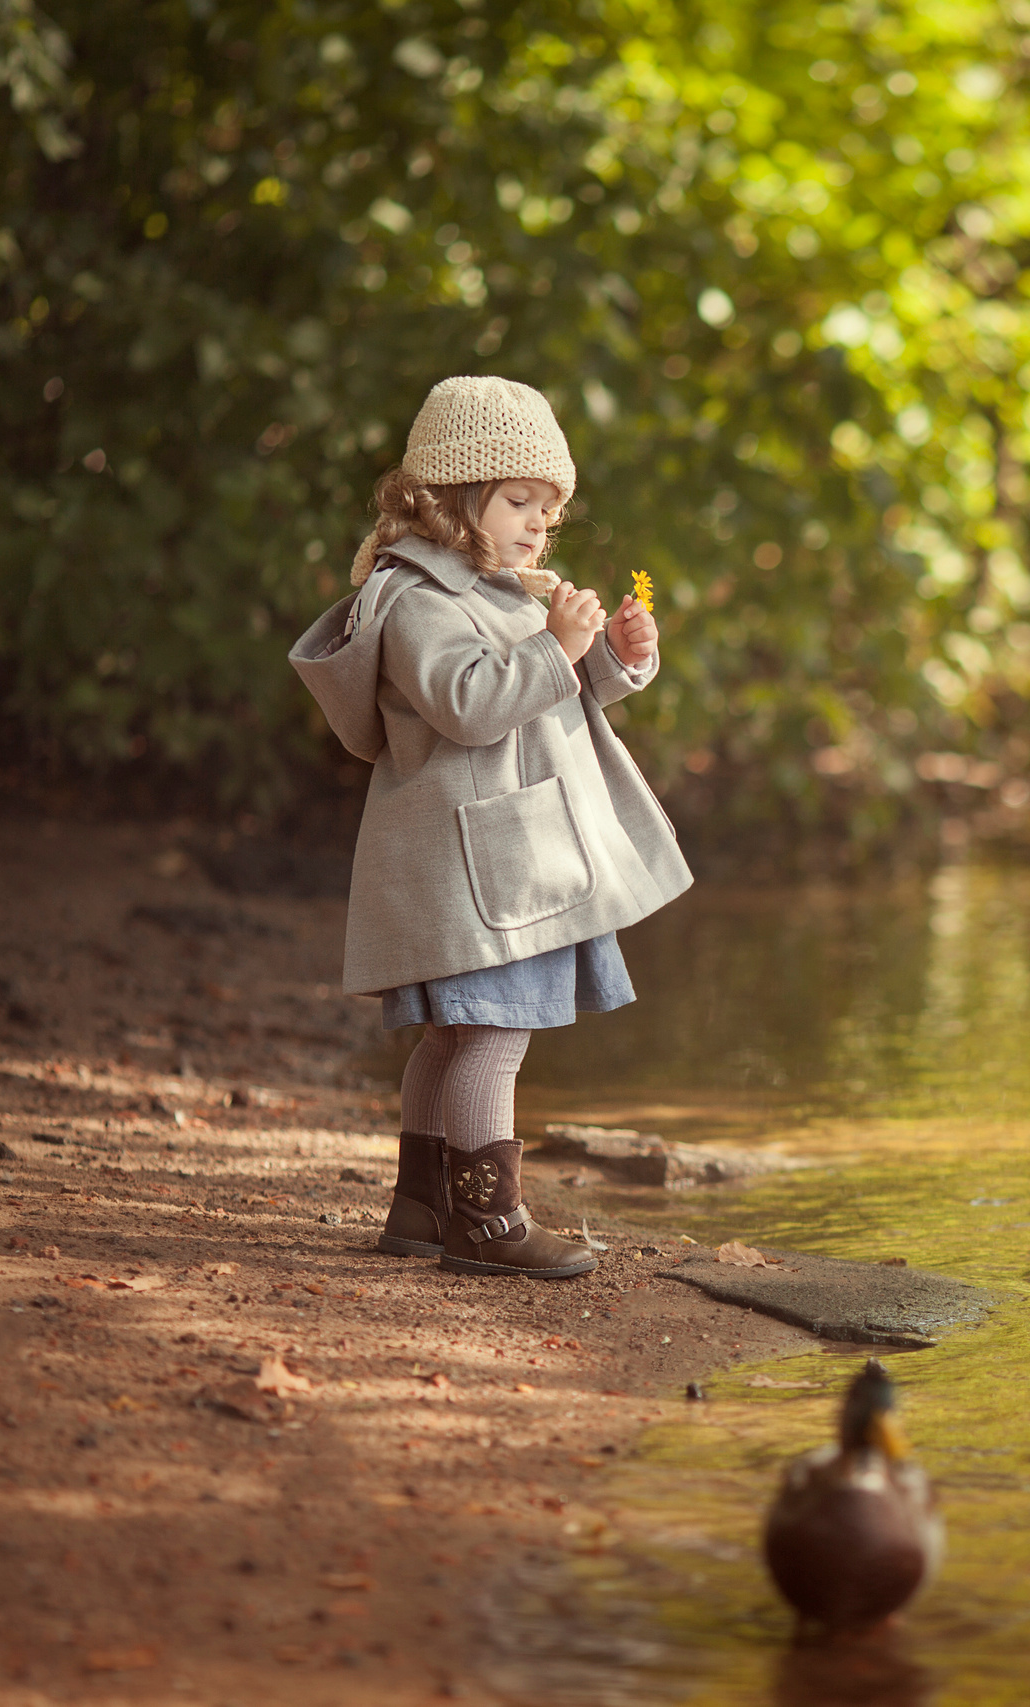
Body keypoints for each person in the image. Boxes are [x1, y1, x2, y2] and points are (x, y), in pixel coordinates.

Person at [289, 375, 691, 1280]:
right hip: (481, 871)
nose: (539, 525)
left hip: (503, 860)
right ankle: (489, 1218)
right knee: (493, 1036)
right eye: (518, 501)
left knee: (452, 1037)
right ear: (450, 498)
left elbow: (546, 704)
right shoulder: (417, 600)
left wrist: (610, 658)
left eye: (549, 508)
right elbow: (472, 704)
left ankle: (423, 1204)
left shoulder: (497, 589)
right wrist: (556, 646)